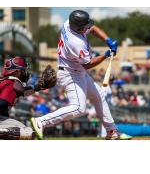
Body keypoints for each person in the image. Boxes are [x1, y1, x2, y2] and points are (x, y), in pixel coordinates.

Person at [31, 10, 132, 140]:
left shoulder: (69, 23)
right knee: (78, 108)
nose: (88, 27)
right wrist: (106, 55)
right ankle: (41, 121)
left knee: (99, 96)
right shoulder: (76, 43)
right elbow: (88, 64)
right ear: (78, 27)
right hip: (70, 74)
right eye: (84, 26)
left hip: (76, 70)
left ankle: (111, 131)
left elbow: (93, 28)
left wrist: (107, 39)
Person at [0, 57, 56, 140]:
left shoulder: (7, 82)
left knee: (26, 131)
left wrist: (39, 86)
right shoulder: (11, 85)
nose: (25, 72)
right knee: (27, 133)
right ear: (17, 72)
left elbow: (23, 91)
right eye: (23, 70)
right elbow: (2, 103)